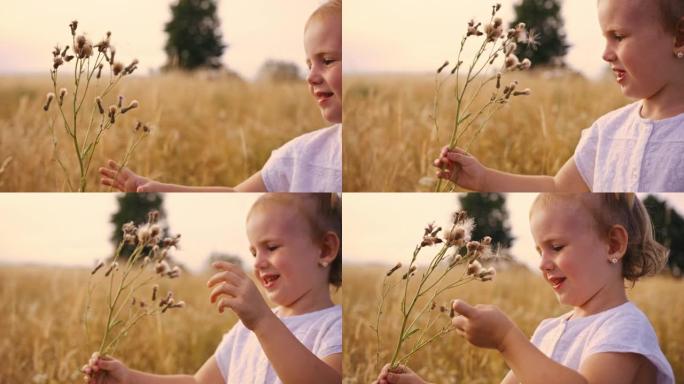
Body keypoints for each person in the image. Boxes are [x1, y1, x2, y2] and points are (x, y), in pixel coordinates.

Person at [376, 193, 674, 384]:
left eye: (556, 247)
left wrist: (507, 339)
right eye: (539, 250)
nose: (543, 263)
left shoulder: (626, 329)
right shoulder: (548, 331)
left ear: (613, 244)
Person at [84, 193, 343, 384]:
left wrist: (263, 320)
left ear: (325, 249)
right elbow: (199, 383)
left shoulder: (335, 326)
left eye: (272, 247)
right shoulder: (246, 331)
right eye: (254, 251)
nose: (258, 262)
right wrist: (129, 378)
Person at [435, 0, 684, 192]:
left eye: (618, 37)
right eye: (605, 38)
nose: (606, 54)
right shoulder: (606, 132)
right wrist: (484, 178)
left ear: (680, 37)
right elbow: (558, 188)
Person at [99, 0, 342, 193]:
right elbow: (236, 195)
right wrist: (152, 187)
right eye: (309, 64)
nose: (310, 76)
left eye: (327, 61)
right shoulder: (298, 157)